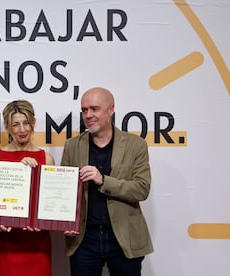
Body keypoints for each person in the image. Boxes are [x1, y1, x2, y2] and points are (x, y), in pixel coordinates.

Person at [61, 87, 154, 276]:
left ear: (111, 109)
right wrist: (66, 222)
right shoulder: (72, 146)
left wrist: (103, 180)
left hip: (124, 237)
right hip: (84, 240)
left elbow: (142, 189)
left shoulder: (136, 145)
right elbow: (64, 192)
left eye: (94, 109)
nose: (88, 115)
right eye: (84, 110)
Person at [0, 100, 55, 276]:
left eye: (26, 123)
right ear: (8, 127)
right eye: (15, 124)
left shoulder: (46, 158)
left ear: (33, 123)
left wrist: (45, 220)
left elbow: (50, 202)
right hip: (6, 242)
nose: (22, 129)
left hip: (37, 242)